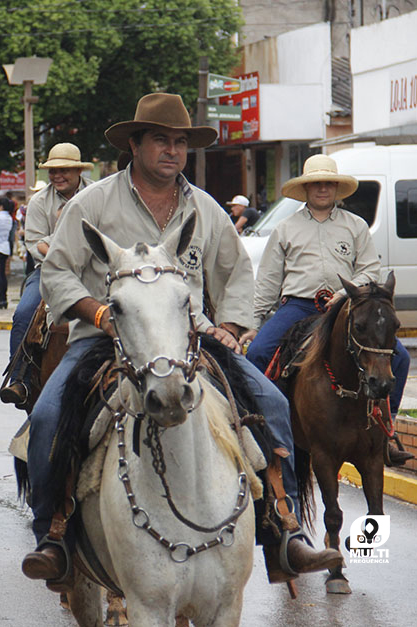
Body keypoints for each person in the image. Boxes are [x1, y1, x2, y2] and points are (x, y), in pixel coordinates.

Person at [20, 93, 342, 584]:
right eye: (161, 141)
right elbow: (59, 271)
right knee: (46, 419)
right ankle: (54, 535)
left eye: (180, 143)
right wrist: (101, 313)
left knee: (273, 405)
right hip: (106, 339)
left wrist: (230, 328)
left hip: (189, 341)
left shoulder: (205, 209)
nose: (172, 151)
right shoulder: (93, 202)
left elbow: (236, 275)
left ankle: (284, 529)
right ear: (135, 144)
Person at [243, 154, 413, 465]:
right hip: (298, 306)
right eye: (316, 184)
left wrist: (345, 293)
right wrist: (254, 322)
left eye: (328, 183)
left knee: (400, 357)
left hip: (347, 307)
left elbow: (370, 269)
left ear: (335, 188)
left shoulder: (356, 226)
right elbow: (268, 280)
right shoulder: (285, 229)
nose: (322, 188)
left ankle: (386, 429)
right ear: (306, 189)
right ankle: (265, 431)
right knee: (256, 354)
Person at [0, 142, 93, 407]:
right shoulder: (39, 201)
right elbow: (35, 244)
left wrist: (58, 243)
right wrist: (65, 245)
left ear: (77, 171)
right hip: (49, 271)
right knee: (24, 313)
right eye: (53, 171)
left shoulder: (97, 195)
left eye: (63, 170)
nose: (57, 176)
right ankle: (19, 380)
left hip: (92, 269)